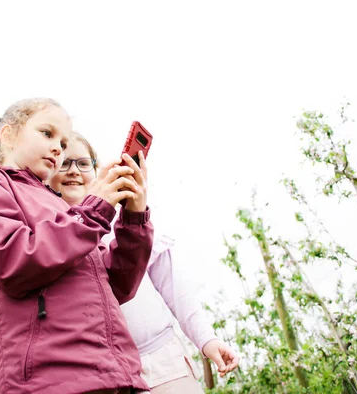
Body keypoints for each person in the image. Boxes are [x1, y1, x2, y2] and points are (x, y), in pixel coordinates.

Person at [0, 98, 155, 394]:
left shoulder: (63, 208)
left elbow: (118, 286)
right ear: (8, 135)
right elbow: (10, 262)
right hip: (47, 381)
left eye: (62, 143)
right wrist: (94, 210)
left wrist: (134, 217)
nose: (57, 149)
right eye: (47, 133)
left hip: (115, 376)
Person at [50, 132, 240, 393]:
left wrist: (207, 339)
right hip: (103, 377)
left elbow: (175, 288)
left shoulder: (130, 222)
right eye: (63, 163)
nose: (73, 171)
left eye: (83, 163)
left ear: (97, 170)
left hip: (164, 363)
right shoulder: (49, 239)